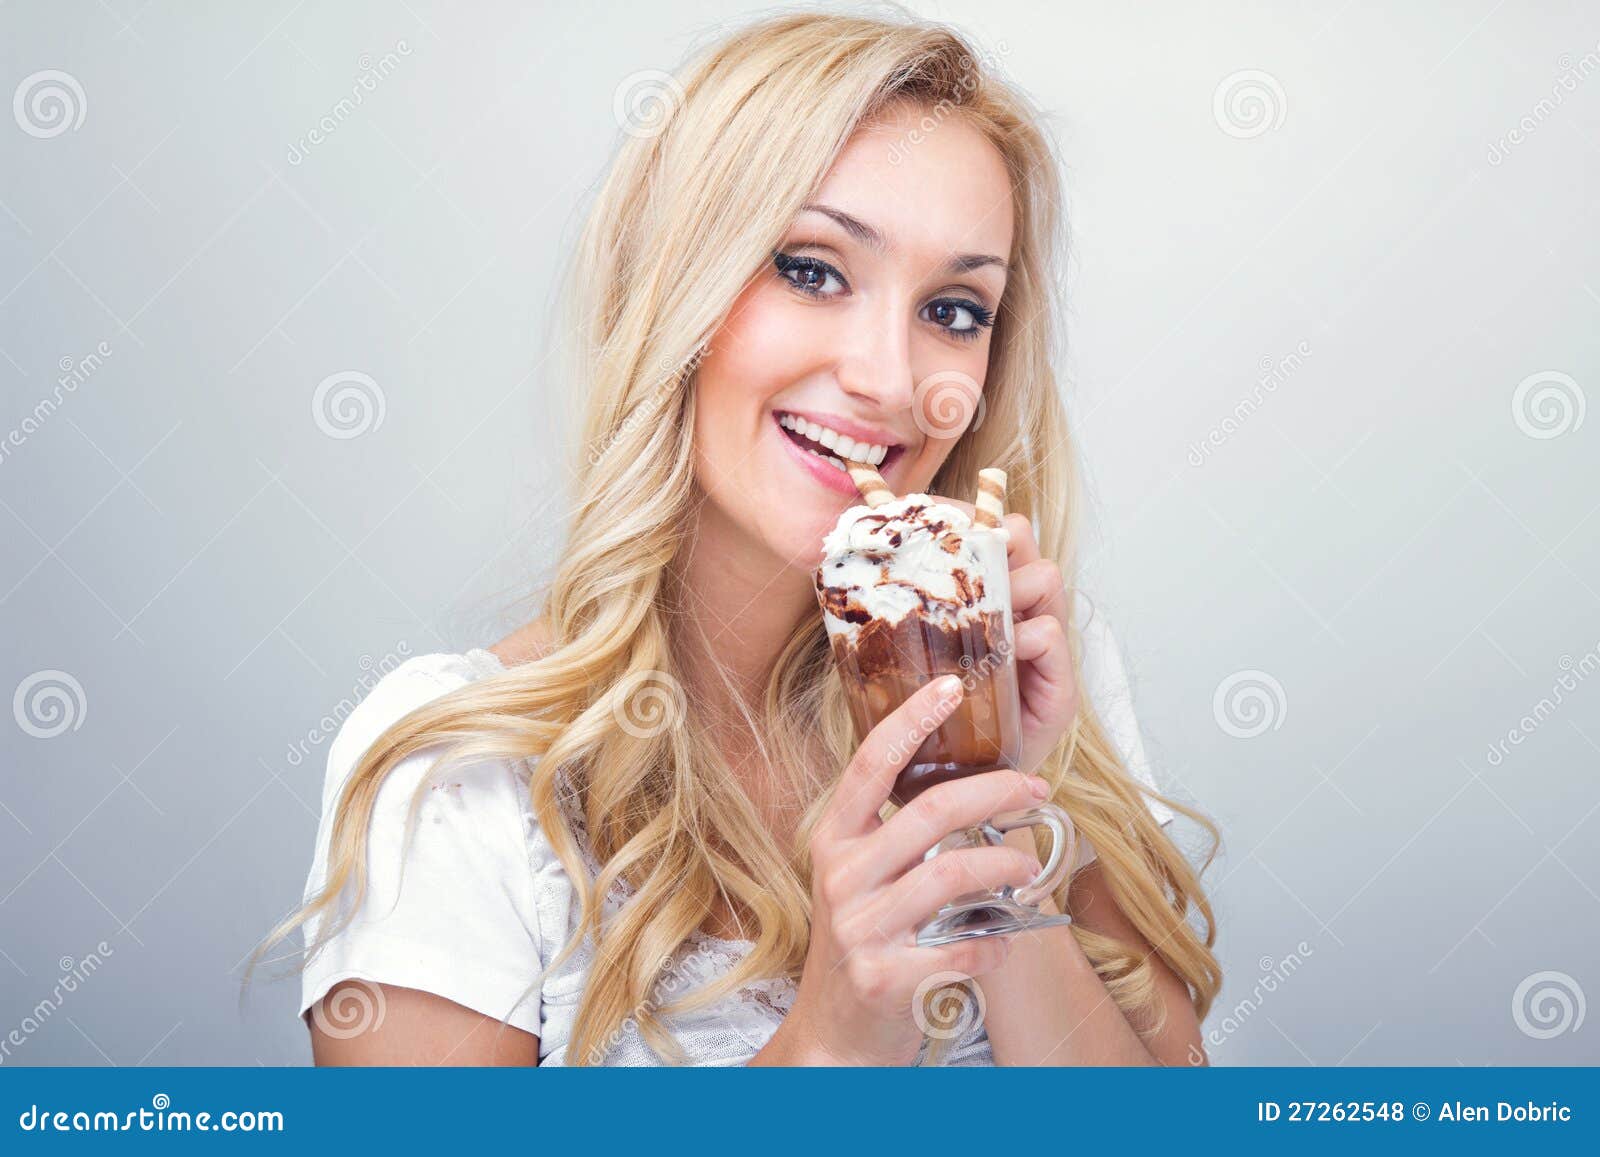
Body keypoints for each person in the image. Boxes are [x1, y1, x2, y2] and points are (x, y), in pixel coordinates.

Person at [264, 9, 1221, 1067]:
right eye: (812, 269)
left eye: (954, 308)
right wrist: (828, 1043)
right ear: (669, 287)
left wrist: (974, 814)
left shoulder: (1040, 664)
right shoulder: (461, 770)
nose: (891, 382)